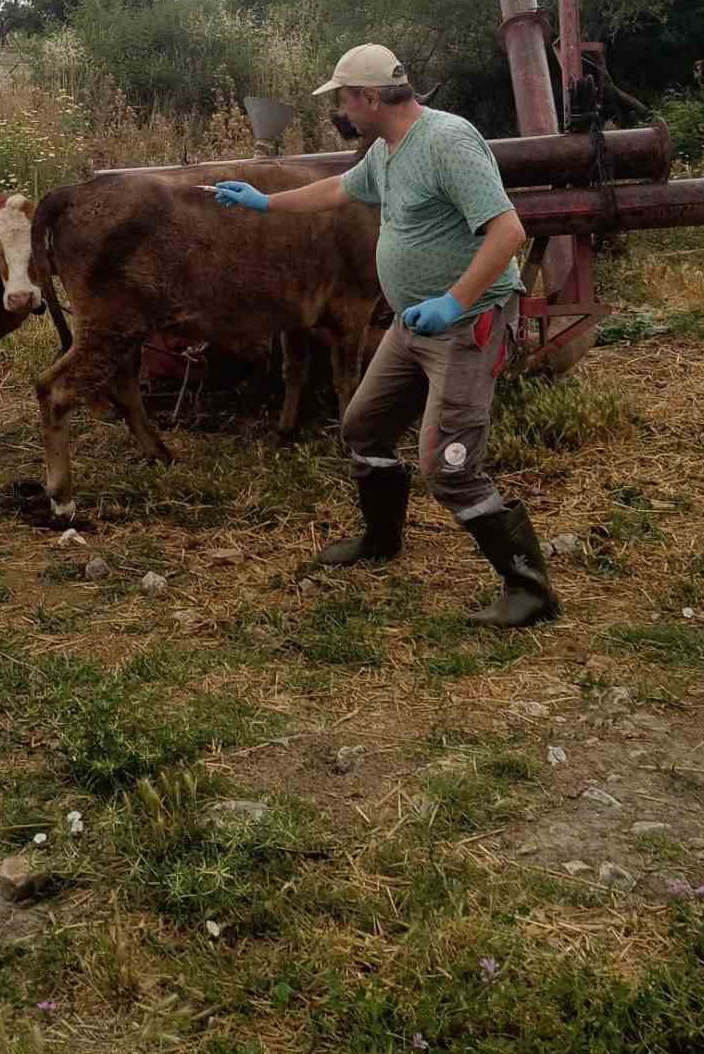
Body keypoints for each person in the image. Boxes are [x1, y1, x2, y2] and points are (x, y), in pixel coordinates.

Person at [213, 43, 559, 628]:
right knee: (364, 427)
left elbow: (508, 231)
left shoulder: (448, 143)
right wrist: (265, 202)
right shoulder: (386, 149)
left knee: (449, 466)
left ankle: (529, 589)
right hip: (412, 323)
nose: (342, 109)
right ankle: (381, 539)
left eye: (345, 99)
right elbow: (339, 190)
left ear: (372, 98)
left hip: (465, 324)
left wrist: (454, 301)